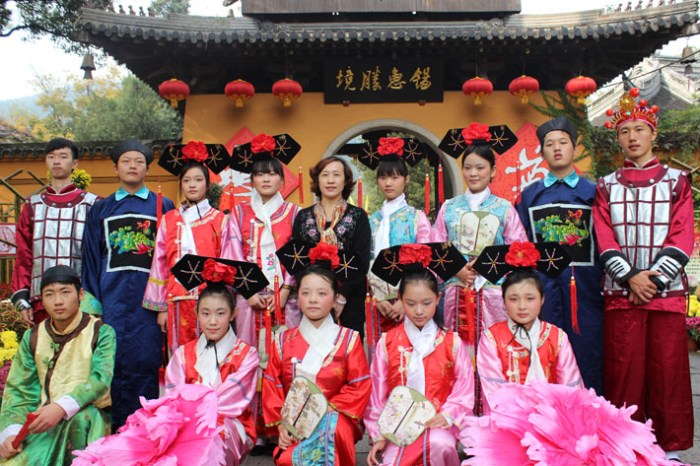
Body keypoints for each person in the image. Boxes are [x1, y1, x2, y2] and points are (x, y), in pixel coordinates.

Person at [73, 256, 264, 465]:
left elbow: (230, 403)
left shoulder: (246, 354)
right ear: (197, 313)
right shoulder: (183, 354)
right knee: (146, 445)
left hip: (227, 423)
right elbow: (173, 398)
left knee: (204, 449)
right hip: (183, 420)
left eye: (220, 313)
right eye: (206, 313)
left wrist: (197, 415)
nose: (212, 321)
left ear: (233, 314)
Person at [593, 88, 694, 462]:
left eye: (639, 129)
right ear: (617, 138)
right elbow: (604, 236)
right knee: (624, 373)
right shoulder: (606, 186)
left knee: (668, 373)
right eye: (624, 131)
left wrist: (651, 281)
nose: (632, 137)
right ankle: (625, 447)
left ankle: (669, 449)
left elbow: (683, 234)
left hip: (664, 295)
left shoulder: (677, 181)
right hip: (622, 294)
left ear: (653, 133)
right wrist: (630, 277)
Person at [80, 139, 174, 428]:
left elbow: (171, 257)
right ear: (115, 168)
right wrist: (93, 309)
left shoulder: (163, 206)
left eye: (139, 161)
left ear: (147, 168)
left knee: (148, 361)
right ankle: (114, 430)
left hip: (150, 305)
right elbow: (91, 259)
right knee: (113, 361)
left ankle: (146, 430)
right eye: (126, 161)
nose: (133, 166)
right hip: (112, 301)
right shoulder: (101, 209)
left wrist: (166, 304)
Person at [224, 132, 302, 454]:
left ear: (282, 179)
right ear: (252, 180)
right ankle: (253, 431)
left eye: (272, 173)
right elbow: (232, 252)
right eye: (260, 174)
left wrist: (285, 289)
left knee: (287, 361)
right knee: (249, 360)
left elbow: (299, 254)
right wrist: (249, 290)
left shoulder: (295, 214)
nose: (266, 179)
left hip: (287, 299)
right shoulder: (239, 213)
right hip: (249, 300)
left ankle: (284, 429)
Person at [515, 116, 604, 394]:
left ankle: (589, 409)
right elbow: (520, 242)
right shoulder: (530, 196)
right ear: (542, 152)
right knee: (545, 352)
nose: (556, 148)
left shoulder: (594, 193)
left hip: (586, 289)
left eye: (563, 142)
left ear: (574, 148)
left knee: (588, 351)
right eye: (550, 144)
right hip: (544, 287)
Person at [365, 243, 474, 466]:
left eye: (426, 303)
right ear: (400, 299)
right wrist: (379, 435)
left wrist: (448, 414)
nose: (419, 311)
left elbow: (464, 388)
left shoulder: (451, 342)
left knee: (439, 445)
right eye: (411, 303)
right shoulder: (388, 342)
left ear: (438, 298)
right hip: (397, 427)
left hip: (438, 424)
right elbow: (377, 394)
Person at [265, 241, 372, 465]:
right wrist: (282, 425)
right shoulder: (283, 341)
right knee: (287, 459)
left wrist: (321, 412)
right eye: (306, 293)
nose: (313, 299)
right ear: (298, 297)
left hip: (336, 418)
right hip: (294, 423)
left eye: (322, 293)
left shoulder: (348, 340)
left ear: (335, 299)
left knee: (332, 431)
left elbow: (359, 386)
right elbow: (273, 386)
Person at [0, 265, 116, 466]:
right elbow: (19, 391)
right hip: (43, 422)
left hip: (87, 417)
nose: (58, 301)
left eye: (65, 292)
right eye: (49, 294)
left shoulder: (101, 332)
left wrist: (61, 407)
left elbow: (100, 380)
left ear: (80, 294)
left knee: (81, 422)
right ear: (42, 299)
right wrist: (11, 432)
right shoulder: (33, 337)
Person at [434, 123, 528, 350]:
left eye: (480, 167)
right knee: (457, 352)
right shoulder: (449, 207)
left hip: (493, 293)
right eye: (467, 168)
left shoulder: (504, 208)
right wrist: (457, 269)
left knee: (494, 350)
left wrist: (486, 266)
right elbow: (436, 247)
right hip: (456, 290)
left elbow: (519, 251)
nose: (473, 173)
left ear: (493, 170)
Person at [473, 241, 583, 413]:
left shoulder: (557, 337)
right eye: (513, 299)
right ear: (503, 301)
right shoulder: (491, 338)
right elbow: (494, 393)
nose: (522, 306)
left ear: (542, 299)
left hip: (552, 417)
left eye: (530, 298)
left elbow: (571, 389)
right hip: (506, 419)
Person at [143, 141, 229, 350]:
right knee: (180, 355)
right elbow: (160, 264)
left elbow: (228, 262)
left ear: (207, 185)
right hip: (176, 300)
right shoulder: (169, 219)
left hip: (212, 301)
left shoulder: (220, 220)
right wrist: (161, 308)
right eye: (187, 180)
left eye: (198, 180)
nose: (192, 185)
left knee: (213, 355)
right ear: (180, 184)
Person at [11, 137, 99, 325]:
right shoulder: (32, 206)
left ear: (74, 163)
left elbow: (99, 255)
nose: (56, 161)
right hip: (42, 299)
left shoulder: (93, 204)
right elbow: (24, 254)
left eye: (63, 156)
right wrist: (22, 297)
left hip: (83, 298)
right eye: (51, 157)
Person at [359, 138, 432, 351]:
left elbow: (427, 262)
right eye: (383, 177)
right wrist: (376, 297)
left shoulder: (417, 218)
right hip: (377, 301)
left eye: (394, 177)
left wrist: (406, 300)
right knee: (381, 355)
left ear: (406, 180)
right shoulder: (371, 221)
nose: (388, 183)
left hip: (412, 302)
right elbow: (365, 261)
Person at [291, 156, 371, 337]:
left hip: (349, 301)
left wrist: (340, 297)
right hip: (312, 301)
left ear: (345, 180)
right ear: (317, 180)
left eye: (336, 175)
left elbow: (361, 262)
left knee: (347, 350)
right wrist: (314, 294)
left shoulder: (358, 216)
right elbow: (297, 260)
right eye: (325, 175)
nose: (330, 180)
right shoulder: (303, 217)